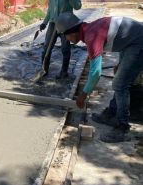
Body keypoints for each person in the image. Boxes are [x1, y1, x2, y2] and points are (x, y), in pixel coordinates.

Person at [55, 12, 143, 143]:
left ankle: (122, 127)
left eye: (65, 36)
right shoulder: (89, 29)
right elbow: (122, 36)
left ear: (72, 32)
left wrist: (83, 94)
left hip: (139, 42)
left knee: (120, 84)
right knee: (120, 79)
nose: (66, 40)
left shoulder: (91, 37)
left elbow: (96, 73)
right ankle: (112, 113)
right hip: (132, 41)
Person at [38, 0, 81, 79]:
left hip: (66, 24)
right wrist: (44, 22)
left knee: (65, 49)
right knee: (47, 47)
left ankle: (64, 71)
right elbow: (51, 9)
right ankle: (44, 69)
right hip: (53, 23)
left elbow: (77, 6)